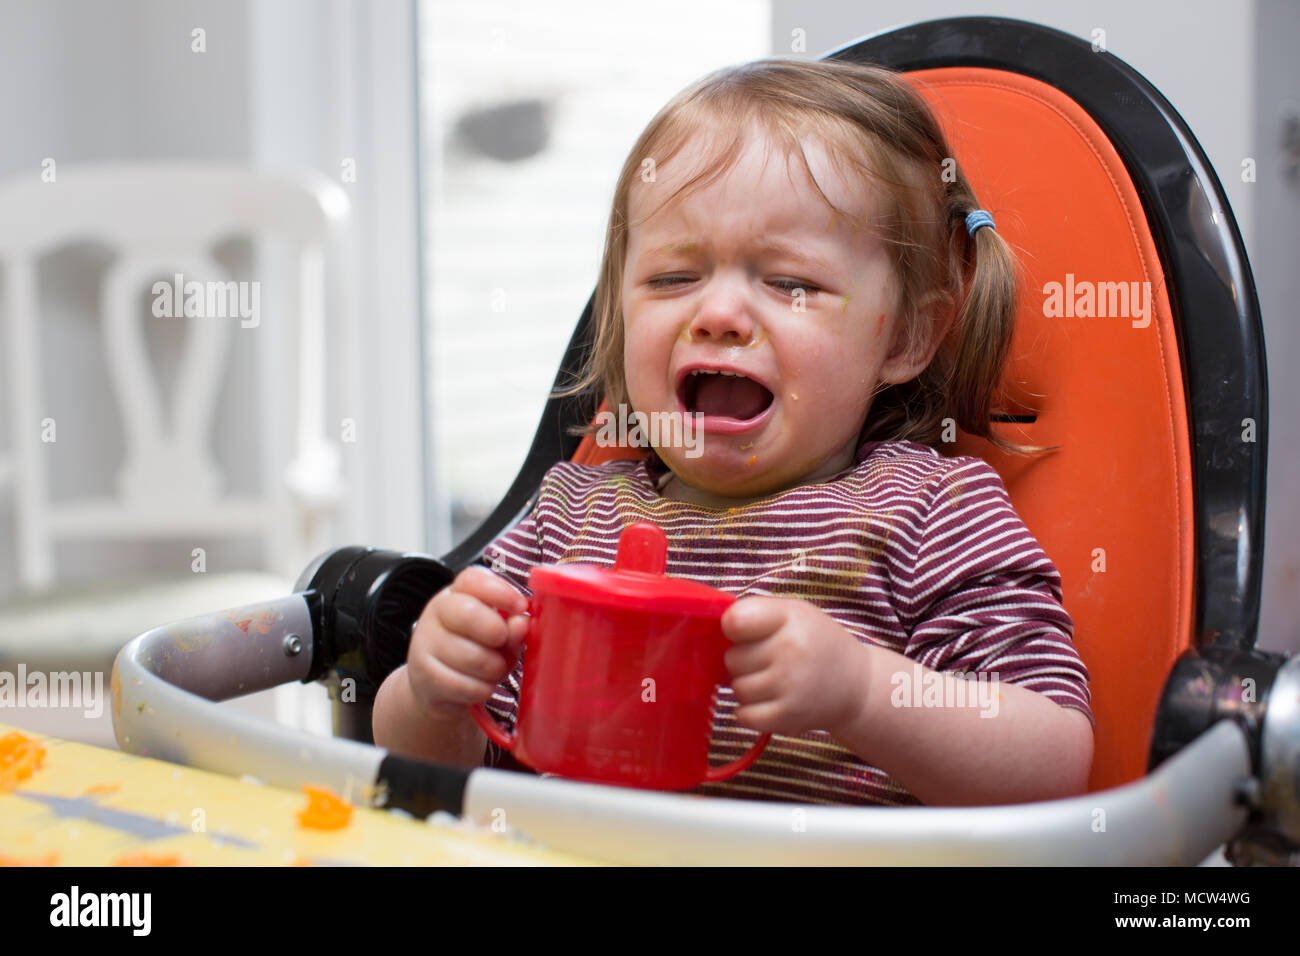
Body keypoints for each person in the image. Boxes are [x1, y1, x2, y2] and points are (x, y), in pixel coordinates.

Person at [373, 58, 1094, 807]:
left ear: (906, 338)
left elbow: (1053, 763)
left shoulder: (929, 513)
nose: (717, 314)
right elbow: (440, 774)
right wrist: (431, 693)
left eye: (791, 282)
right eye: (672, 278)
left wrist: (863, 693)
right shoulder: (567, 521)